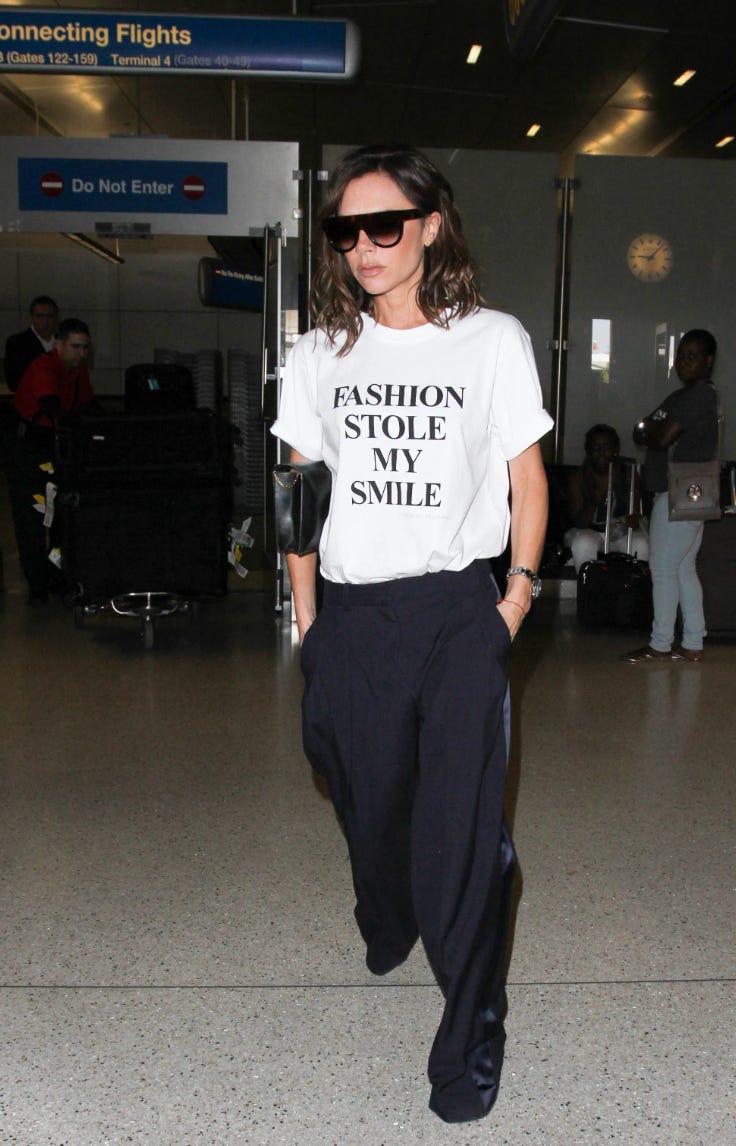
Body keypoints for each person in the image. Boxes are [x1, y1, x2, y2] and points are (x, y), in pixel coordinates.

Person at [271, 143, 552, 1123]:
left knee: (463, 839)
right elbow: (299, 494)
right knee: (369, 802)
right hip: (351, 620)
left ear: (431, 226)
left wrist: (513, 601)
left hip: (455, 613)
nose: (364, 246)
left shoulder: (491, 340)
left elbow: (525, 479)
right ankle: (386, 915)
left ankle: (468, 1050)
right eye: (345, 230)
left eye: (383, 225)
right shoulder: (319, 354)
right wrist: (310, 620)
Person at [622, 329, 720, 662]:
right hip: (690, 493)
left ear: (709, 360)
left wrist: (653, 430)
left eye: (693, 356)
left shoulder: (698, 396)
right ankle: (692, 642)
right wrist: (652, 429)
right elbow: (643, 429)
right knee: (683, 568)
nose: (683, 362)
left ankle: (660, 644)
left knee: (663, 568)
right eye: (680, 355)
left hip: (678, 491)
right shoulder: (687, 396)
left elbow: (659, 436)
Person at [8, 318, 95, 603]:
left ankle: (56, 576)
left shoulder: (78, 370)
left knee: (61, 517)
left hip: (53, 448)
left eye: (85, 348)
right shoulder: (44, 366)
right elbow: (50, 406)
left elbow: (87, 404)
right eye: (76, 347)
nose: (82, 353)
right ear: (59, 344)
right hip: (29, 449)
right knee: (32, 518)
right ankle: (37, 584)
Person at [564, 423, 649, 572]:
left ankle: (631, 585)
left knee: (641, 544)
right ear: (588, 451)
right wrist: (595, 499)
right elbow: (580, 522)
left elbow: (636, 513)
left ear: (616, 449)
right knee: (583, 543)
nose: (601, 453)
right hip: (591, 531)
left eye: (607, 447)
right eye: (595, 448)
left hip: (622, 532)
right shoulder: (579, 477)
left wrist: (632, 517)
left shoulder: (627, 473)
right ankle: (588, 584)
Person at [3, 295, 59, 392]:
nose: (45, 321)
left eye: (50, 316)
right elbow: (14, 383)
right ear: (32, 317)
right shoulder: (16, 343)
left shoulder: (63, 341)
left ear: (56, 318)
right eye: (39, 316)